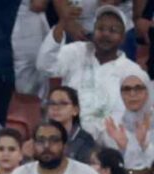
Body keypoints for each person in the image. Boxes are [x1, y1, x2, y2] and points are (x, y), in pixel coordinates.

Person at [37, 4, 144, 137]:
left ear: (122, 38)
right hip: (65, 135)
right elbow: (44, 66)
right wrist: (62, 23)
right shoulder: (76, 51)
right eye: (100, 28)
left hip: (108, 144)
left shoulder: (132, 73)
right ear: (93, 31)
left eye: (113, 30)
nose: (105, 34)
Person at [99, 73, 154, 171]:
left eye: (138, 88)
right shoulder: (113, 126)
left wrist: (144, 144)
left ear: (147, 92)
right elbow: (114, 169)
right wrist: (123, 148)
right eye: (126, 89)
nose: (132, 94)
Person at [44, 86, 98, 164]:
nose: (56, 108)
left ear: (75, 110)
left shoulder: (85, 139)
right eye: (52, 103)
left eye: (63, 103)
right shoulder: (39, 136)